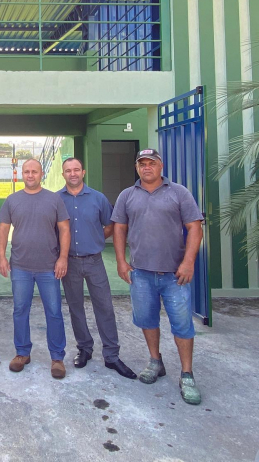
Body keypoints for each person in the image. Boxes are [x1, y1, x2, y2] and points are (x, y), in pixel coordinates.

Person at [112, 148, 204, 405]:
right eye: (142, 164)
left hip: (175, 274)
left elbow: (194, 227)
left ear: (160, 166)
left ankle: (187, 374)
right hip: (140, 273)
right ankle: (156, 362)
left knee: (182, 325)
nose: (146, 167)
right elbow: (119, 228)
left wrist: (188, 262)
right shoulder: (127, 195)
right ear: (137, 167)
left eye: (151, 163)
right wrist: (121, 261)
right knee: (147, 320)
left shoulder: (179, 193)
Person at [58, 158, 136, 379]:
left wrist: (97, 239)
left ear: (83, 172)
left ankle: (111, 356)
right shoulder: (56, 199)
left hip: (94, 261)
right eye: (67, 171)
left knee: (104, 307)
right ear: (63, 174)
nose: (72, 174)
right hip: (69, 262)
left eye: (76, 170)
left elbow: (110, 224)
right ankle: (84, 349)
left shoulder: (98, 198)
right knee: (76, 308)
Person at [0, 158, 70, 379]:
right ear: (22, 174)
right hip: (20, 267)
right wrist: (2, 256)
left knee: (54, 312)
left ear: (41, 174)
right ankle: (22, 353)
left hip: (49, 267)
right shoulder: (12, 200)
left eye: (34, 172)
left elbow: (65, 230)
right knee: (20, 310)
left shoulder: (54, 199)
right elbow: (2, 231)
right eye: (27, 172)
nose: (30, 175)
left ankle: (57, 357)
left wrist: (63, 258)